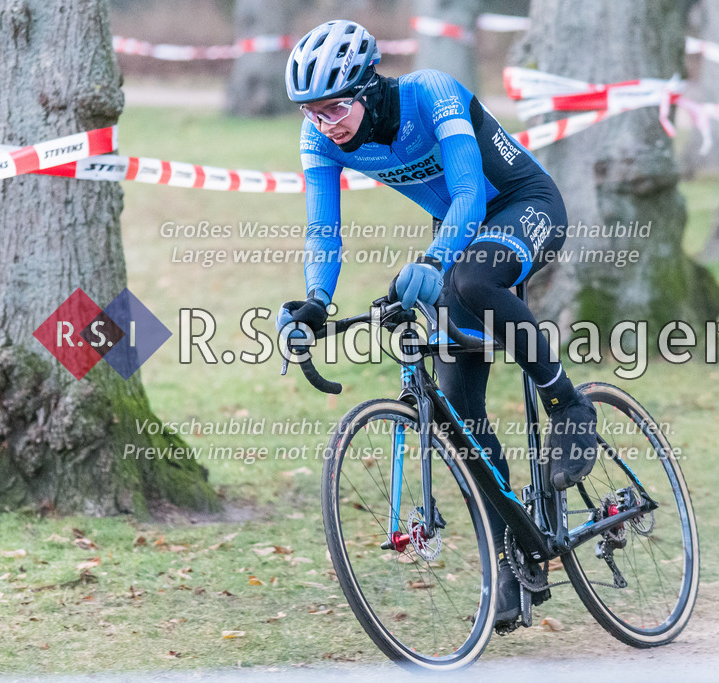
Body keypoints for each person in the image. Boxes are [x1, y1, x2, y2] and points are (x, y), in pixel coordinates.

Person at [278, 20, 599, 627]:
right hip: (458, 236)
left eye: (335, 108)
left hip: (521, 206)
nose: (327, 124)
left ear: (369, 87)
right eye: (312, 113)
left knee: (474, 280)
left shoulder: (432, 93)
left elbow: (472, 193)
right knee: (460, 414)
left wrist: (433, 259)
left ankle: (568, 405)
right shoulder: (319, 138)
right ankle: (517, 551)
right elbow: (324, 229)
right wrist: (316, 301)